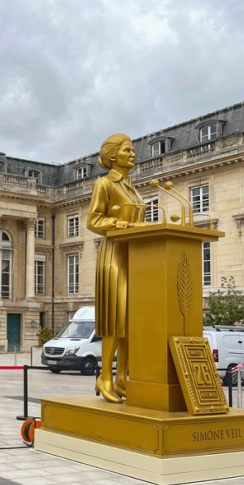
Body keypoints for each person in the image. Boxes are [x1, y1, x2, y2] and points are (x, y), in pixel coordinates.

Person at [86, 134, 149, 403]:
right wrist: (124, 226)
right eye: (127, 150)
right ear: (113, 156)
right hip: (113, 255)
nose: (133, 154)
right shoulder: (104, 183)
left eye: (133, 150)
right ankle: (105, 377)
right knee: (114, 319)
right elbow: (93, 220)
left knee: (130, 323)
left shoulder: (133, 189)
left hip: (135, 256)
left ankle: (123, 377)